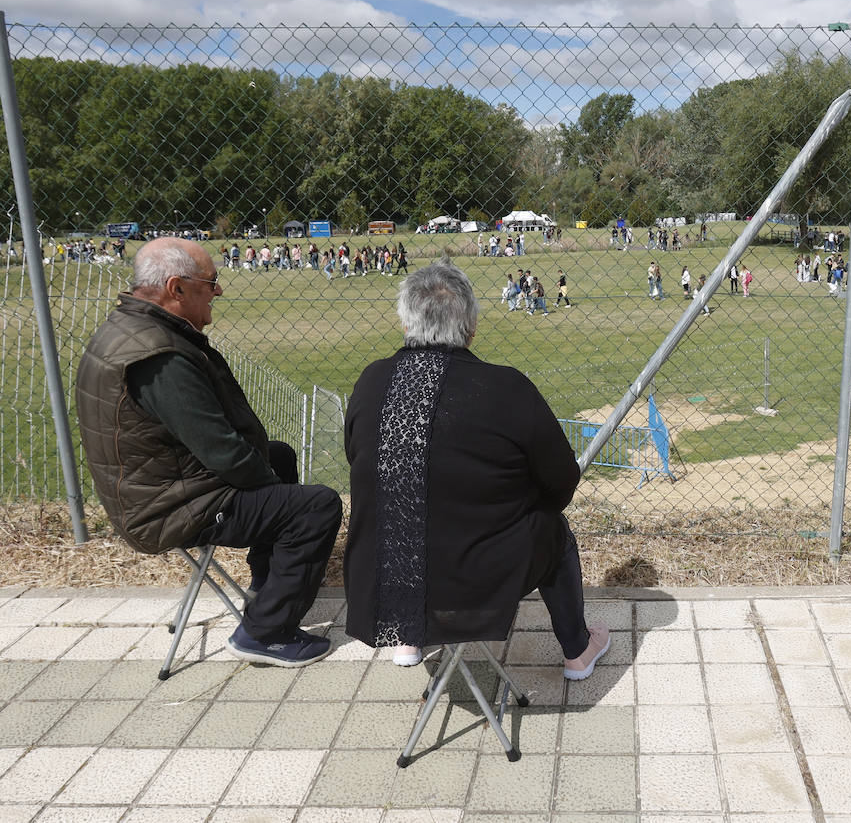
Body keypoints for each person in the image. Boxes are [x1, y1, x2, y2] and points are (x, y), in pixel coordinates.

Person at [74, 238, 342, 667]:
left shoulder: (132, 327)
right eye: (211, 282)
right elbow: (224, 453)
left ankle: (265, 584)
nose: (219, 291)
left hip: (157, 486)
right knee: (317, 506)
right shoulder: (160, 357)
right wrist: (275, 494)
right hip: (167, 508)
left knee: (281, 455)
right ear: (176, 289)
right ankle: (265, 632)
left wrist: (269, 483)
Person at [343, 261, 609, 679]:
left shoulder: (371, 380)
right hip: (476, 581)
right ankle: (577, 649)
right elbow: (561, 480)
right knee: (553, 529)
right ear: (471, 326)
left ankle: (408, 636)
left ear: (406, 323)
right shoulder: (506, 387)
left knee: (412, 510)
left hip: (384, 578)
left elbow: (358, 461)